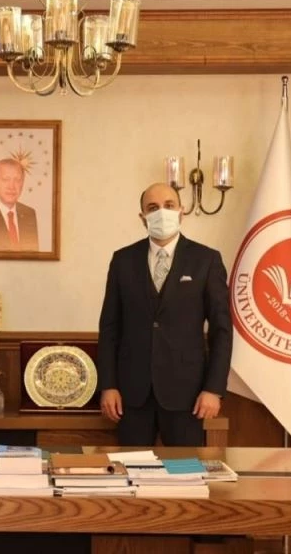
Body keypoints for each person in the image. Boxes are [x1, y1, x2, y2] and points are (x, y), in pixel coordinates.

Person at [96, 182, 232, 446]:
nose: (161, 212)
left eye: (169, 205)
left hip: (188, 395)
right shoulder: (122, 260)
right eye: (153, 207)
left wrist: (214, 389)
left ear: (181, 211)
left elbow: (222, 330)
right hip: (131, 395)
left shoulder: (206, 260)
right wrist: (108, 385)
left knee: (185, 470)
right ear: (142, 217)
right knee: (131, 467)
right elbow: (110, 328)